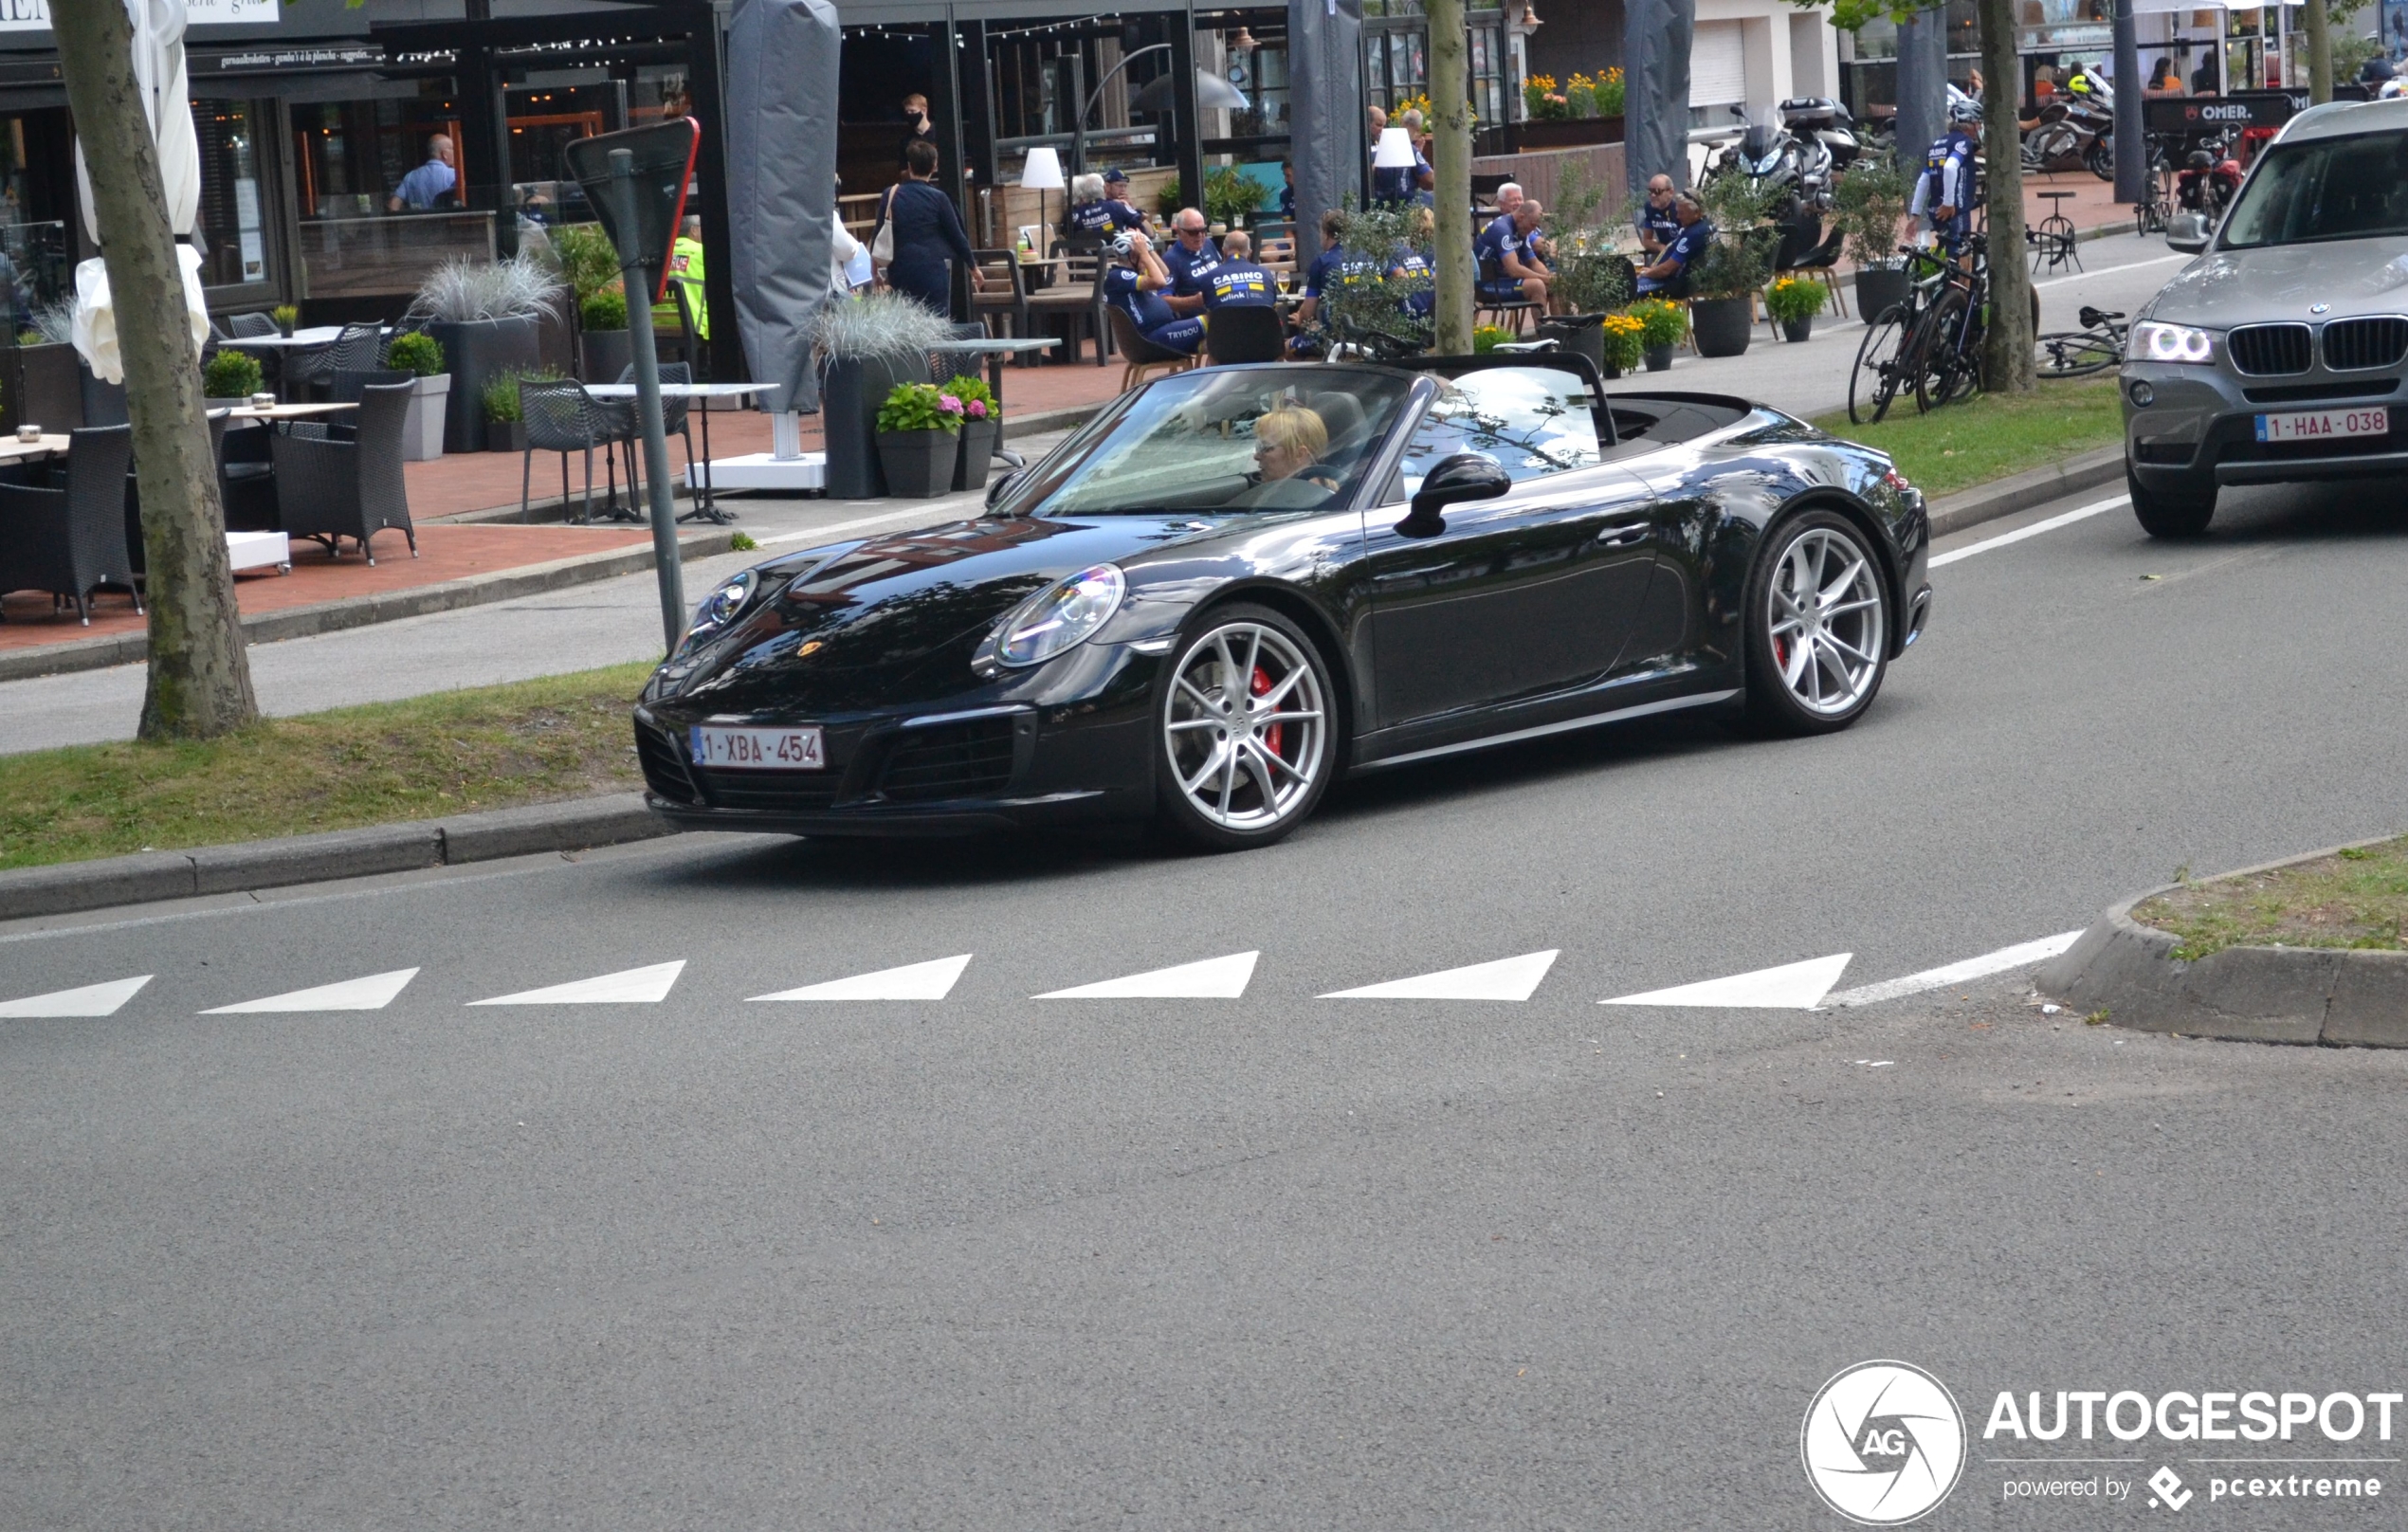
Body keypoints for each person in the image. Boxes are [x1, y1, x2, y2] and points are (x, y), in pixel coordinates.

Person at [874, 139, 983, 316]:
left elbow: (879, 233)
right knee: (937, 323)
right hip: (931, 269)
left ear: (909, 166)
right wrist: (973, 268)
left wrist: (874, 272)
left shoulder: (890, 194)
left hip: (900, 269)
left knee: (905, 323)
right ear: (934, 166)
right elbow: (957, 236)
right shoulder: (939, 198)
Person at [1104, 230, 1202, 356]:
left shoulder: (1133, 273)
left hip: (1160, 334)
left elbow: (1165, 273)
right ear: (1133, 257)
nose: (1147, 261)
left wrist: (1147, 249)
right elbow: (1160, 281)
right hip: (1151, 341)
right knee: (1213, 321)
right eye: (1143, 257)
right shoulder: (1118, 276)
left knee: (1214, 338)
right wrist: (1144, 253)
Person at [1909, 98, 1982, 258]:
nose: (1980, 127)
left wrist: (1915, 214)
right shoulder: (1963, 143)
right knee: (1962, 258)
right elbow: (1950, 167)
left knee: (1949, 257)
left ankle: (1947, 281)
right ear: (1968, 121)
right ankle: (1956, 283)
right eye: (1977, 122)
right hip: (1955, 211)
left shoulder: (1938, 143)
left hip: (1935, 211)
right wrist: (1949, 203)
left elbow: (1924, 180)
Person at [1475, 198, 1552, 308]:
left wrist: (1551, 277)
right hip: (1486, 286)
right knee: (1537, 286)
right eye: (1533, 225)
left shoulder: (1522, 230)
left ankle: (1561, 324)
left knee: (1555, 286)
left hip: (1504, 281)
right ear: (1522, 217)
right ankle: (1541, 325)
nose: (1533, 230)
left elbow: (1533, 263)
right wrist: (1544, 278)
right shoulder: (1501, 229)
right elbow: (1514, 270)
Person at [1634, 192, 1711, 297]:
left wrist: (1646, 274)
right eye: (1677, 212)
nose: (1678, 217)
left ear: (1696, 213)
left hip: (1675, 283)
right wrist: (1653, 270)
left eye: (1681, 213)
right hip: (1670, 276)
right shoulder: (1706, 224)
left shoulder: (1694, 234)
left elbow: (1666, 270)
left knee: (1629, 290)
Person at [1160, 208, 1222, 315]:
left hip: (1222, 308)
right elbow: (1162, 299)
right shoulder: (1171, 259)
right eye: (1193, 232)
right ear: (1179, 232)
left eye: (1203, 230)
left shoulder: (1208, 244)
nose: (1200, 235)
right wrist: (1193, 301)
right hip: (1198, 318)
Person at [656, 214, 709, 339]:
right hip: (696, 324)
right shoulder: (702, 252)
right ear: (693, 230)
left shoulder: (662, 253)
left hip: (661, 323)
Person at [1202, 229, 1275, 312]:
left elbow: (1207, 307)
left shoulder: (1209, 276)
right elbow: (1273, 304)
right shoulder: (1266, 274)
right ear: (1250, 253)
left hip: (1224, 324)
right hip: (1262, 323)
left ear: (1224, 251)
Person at [389, 135, 455, 212]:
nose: (454, 153)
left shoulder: (411, 176)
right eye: (452, 149)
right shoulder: (453, 175)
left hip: (419, 223)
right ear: (444, 154)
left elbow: (393, 205)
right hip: (444, 222)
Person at [1635, 174, 1679, 255]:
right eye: (1650, 191)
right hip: (1665, 253)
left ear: (1670, 192)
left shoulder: (1679, 209)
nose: (1653, 195)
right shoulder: (1649, 208)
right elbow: (1646, 241)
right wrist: (1660, 247)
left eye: (1657, 191)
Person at [899, 92, 934, 167]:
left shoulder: (940, 133)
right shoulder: (906, 140)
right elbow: (903, 169)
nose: (909, 115)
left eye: (912, 111)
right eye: (907, 112)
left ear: (924, 110)